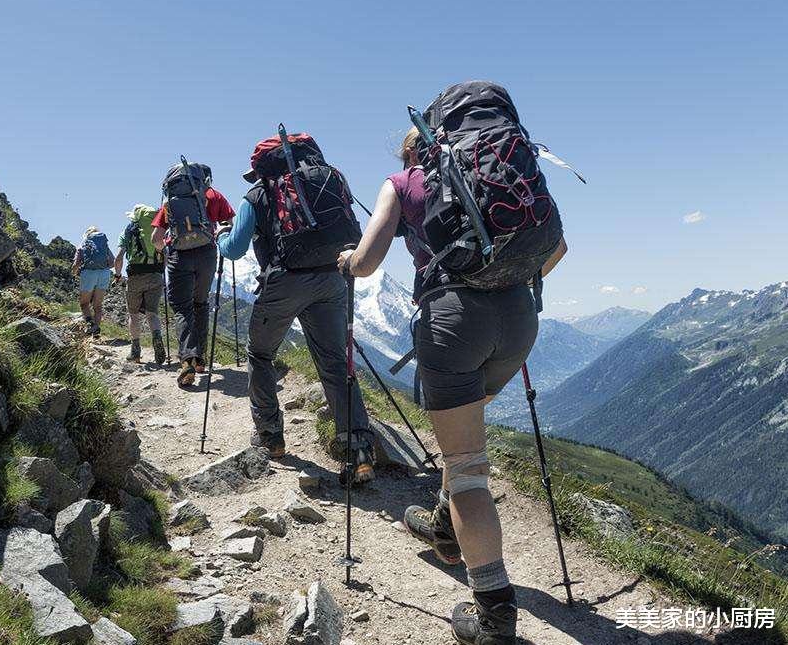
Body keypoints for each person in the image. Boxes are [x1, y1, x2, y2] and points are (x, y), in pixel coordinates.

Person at [337, 126, 567, 644]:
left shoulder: (401, 184)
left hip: (454, 323)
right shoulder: (502, 175)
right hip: (519, 319)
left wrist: (346, 261)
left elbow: (368, 262)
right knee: (464, 438)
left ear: (410, 152)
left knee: (466, 469)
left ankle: (493, 614)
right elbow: (556, 249)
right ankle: (444, 525)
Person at [217, 133, 376, 483]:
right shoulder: (327, 180)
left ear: (262, 167)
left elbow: (233, 250)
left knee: (260, 354)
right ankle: (359, 449)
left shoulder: (257, 195)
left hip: (285, 281)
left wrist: (220, 236)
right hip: (333, 276)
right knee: (335, 362)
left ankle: (270, 437)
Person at [151, 168, 235, 386]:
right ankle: (200, 359)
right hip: (207, 254)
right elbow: (229, 222)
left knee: (182, 307)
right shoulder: (213, 195)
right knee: (201, 303)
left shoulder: (172, 201)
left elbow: (156, 238)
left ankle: (187, 359)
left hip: (179, 256)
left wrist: (166, 250)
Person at [115, 204, 166, 363]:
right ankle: (157, 338)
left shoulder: (129, 230)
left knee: (134, 314)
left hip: (135, 275)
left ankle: (135, 351)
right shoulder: (158, 228)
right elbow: (165, 253)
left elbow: (119, 257)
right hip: (156, 274)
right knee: (152, 313)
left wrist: (117, 275)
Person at [72, 226, 115, 336]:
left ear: (87, 234)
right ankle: (96, 330)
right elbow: (112, 262)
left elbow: (76, 264)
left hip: (89, 274)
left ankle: (91, 324)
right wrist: (103, 267)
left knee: (84, 304)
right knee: (98, 305)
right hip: (104, 273)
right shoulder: (104, 246)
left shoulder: (83, 244)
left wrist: (75, 272)